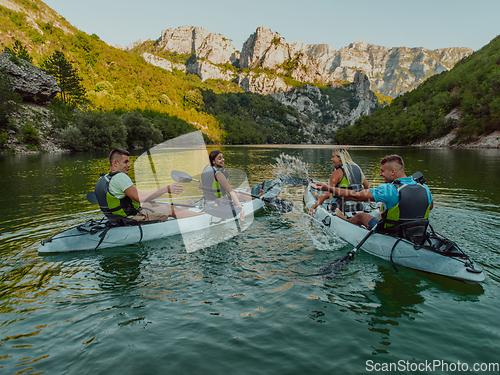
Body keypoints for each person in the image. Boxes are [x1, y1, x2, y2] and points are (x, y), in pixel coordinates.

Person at [311, 154, 433, 230]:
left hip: (392, 232)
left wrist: (328, 188)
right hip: (416, 231)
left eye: (382, 171)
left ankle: (345, 220)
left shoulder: (389, 189)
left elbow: (356, 197)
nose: (380, 174)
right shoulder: (424, 188)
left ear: (393, 172)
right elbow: (429, 206)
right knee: (384, 207)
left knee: (361, 215)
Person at [95, 149, 201, 222]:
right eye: (126, 162)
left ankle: (182, 210)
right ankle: (202, 216)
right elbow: (140, 197)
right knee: (170, 209)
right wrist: (166, 189)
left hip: (117, 217)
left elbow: (139, 196)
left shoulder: (105, 178)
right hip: (132, 217)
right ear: (115, 163)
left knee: (152, 203)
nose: (129, 165)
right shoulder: (120, 177)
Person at [200, 151, 263, 221]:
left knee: (237, 191)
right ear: (213, 162)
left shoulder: (206, 169)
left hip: (208, 201)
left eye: (222, 157)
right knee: (237, 193)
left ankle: (249, 194)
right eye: (219, 158)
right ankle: (254, 196)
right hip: (219, 203)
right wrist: (240, 208)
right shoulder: (219, 174)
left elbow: (201, 187)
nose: (223, 159)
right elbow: (230, 192)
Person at [308, 148, 370, 216]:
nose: (331, 159)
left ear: (340, 158)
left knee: (331, 192)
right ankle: (318, 196)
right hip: (359, 206)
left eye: (333, 157)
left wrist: (313, 208)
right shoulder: (358, 169)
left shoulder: (337, 172)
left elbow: (327, 192)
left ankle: (318, 197)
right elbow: (367, 186)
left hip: (341, 207)